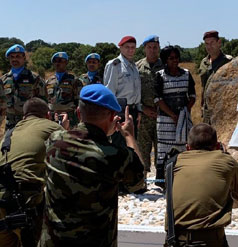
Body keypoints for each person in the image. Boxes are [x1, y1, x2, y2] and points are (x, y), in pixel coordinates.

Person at [38, 84, 144, 247]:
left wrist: (66, 129)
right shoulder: (117, 156)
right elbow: (138, 182)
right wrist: (129, 135)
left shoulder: (55, 140)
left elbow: (71, 137)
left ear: (79, 113)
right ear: (112, 117)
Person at [167, 123, 238, 247]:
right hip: (209, 240)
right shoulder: (227, 161)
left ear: (187, 147)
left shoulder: (172, 163)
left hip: (174, 240)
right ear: (217, 146)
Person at [0, 98, 68, 247]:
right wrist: (64, 128)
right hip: (24, 200)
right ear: (48, 115)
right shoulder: (51, 126)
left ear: (24, 116)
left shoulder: (11, 131)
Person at [154, 46, 196, 186]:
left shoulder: (186, 74)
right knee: (164, 149)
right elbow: (158, 99)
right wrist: (172, 115)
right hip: (165, 119)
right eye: (171, 58)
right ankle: (163, 180)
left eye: (176, 57)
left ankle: (183, 178)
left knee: (183, 146)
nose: (174, 61)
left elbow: (192, 96)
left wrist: (185, 111)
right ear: (165, 60)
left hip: (183, 119)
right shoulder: (160, 75)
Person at [136, 35, 163, 185]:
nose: (152, 50)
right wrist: (142, 108)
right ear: (145, 48)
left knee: (162, 149)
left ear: (158, 48)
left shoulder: (165, 65)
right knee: (143, 149)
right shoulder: (137, 67)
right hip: (144, 115)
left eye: (155, 47)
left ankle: (162, 181)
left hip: (162, 115)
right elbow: (133, 91)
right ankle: (142, 181)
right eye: (149, 47)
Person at [0, 44, 47, 130]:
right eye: (12, 57)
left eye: (18, 56)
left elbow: (43, 102)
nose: (14, 59)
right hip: (9, 124)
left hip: (29, 124)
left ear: (24, 58)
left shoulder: (35, 78)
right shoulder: (3, 80)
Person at [104, 36, 141, 137]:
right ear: (120, 48)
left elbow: (136, 91)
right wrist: (112, 115)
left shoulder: (134, 66)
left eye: (133, 47)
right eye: (127, 47)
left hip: (133, 110)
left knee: (131, 143)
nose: (130, 50)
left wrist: (138, 111)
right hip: (119, 110)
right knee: (120, 144)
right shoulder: (115, 65)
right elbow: (109, 91)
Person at [199, 31, 232, 124]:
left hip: (223, 109)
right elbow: (203, 86)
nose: (209, 46)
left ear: (219, 43)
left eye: (212, 43)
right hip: (207, 110)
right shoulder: (204, 62)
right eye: (207, 44)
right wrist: (202, 105)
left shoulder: (228, 61)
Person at [46, 52, 83, 128]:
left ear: (66, 62)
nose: (57, 63)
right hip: (52, 118)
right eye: (55, 61)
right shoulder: (49, 81)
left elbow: (79, 101)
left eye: (60, 61)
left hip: (70, 118)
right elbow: (46, 99)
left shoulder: (74, 81)